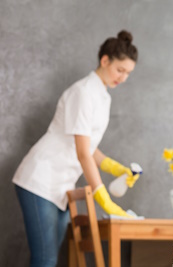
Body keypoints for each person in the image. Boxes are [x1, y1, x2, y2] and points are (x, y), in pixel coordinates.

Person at [12, 30, 140, 267]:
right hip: (39, 179)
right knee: (45, 259)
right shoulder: (83, 93)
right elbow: (83, 153)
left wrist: (117, 169)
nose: (123, 78)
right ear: (105, 60)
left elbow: (90, 148)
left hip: (61, 186)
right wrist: (105, 199)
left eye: (128, 73)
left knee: (51, 258)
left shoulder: (103, 96)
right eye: (120, 70)